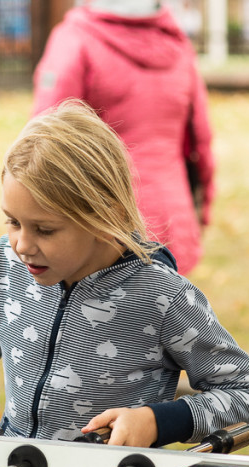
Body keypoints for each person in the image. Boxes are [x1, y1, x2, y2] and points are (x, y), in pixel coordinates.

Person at [0, 101, 249, 448]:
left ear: (103, 215)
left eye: (45, 229)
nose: (21, 244)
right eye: (12, 222)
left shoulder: (163, 298)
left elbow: (246, 392)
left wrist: (157, 422)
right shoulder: (7, 264)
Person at [30, 0, 214, 276]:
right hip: (171, 216)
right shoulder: (178, 45)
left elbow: (46, 138)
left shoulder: (75, 39)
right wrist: (204, 206)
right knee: (166, 310)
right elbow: (202, 139)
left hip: (102, 220)